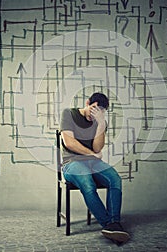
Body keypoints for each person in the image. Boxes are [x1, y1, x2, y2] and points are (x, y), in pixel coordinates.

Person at [60, 92, 130, 245]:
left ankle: (114, 223)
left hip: (92, 163)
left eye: (100, 112)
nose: (94, 114)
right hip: (71, 163)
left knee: (114, 179)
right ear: (87, 103)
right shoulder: (69, 113)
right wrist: (92, 153)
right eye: (93, 108)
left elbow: (97, 147)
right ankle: (109, 226)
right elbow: (69, 143)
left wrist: (101, 124)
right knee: (88, 183)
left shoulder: (100, 120)